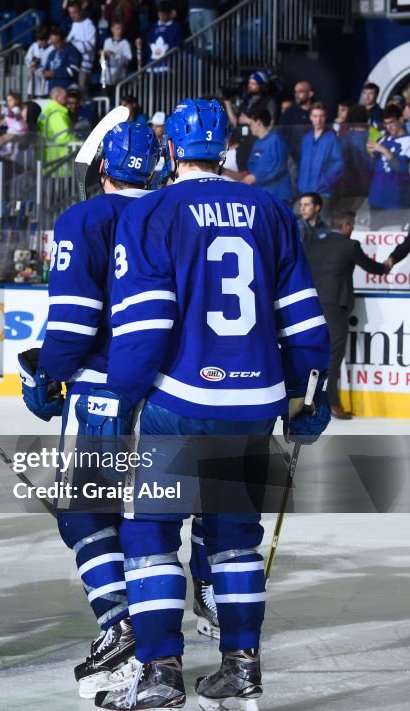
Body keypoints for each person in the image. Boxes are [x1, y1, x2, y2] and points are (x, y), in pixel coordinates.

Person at [81, 98, 330, 711]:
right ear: (225, 149)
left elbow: (143, 322)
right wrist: (309, 388)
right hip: (255, 401)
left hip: (179, 399)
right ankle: (241, 665)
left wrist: (121, 393)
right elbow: (300, 316)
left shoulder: (157, 209)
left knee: (150, 535)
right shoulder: (270, 208)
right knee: (235, 540)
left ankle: (162, 674)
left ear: (171, 151)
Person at [19, 121, 161, 700]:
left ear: (102, 165)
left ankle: (119, 627)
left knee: (82, 513)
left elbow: (75, 321)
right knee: (150, 516)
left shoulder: (85, 218)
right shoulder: (170, 213)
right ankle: (163, 636)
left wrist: (46, 372)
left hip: (100, 386)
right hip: (167, 391)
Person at [302, 210, 387, 420]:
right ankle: (332, 404)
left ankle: (306, 401)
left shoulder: (313, 246)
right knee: (333, 357)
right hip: (335, 309)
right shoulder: (350, 246)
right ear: (347, 227)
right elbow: (372, 268)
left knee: (313, 355)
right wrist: (386, 266)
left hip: (312, 307)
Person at [231, 110, 291, 202]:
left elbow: (278, 166)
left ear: (258, 123)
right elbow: (252, 165)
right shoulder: (257, 143)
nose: (250, 127)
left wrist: (255, 178)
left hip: (277, 195)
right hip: (263, 194)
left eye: (251, 124)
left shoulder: (275, 139)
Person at [366, 106, 410, 229]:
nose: (389, 127)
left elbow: (403, 171)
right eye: (386, 124)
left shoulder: (408, 142)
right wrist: (371, 156)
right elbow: (373, 168)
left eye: (392, 123)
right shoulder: (384, 139)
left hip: (396, 201)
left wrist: (385, 151)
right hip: (376, 199)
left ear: (401, 120)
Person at [297, 103, 344, 208]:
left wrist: (324, 182)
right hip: (304, 191)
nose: (318, 120)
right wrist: (300, 183)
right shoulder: (306, 139)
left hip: (323, 193)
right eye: (315, 116)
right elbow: (302, 163)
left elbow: (338, 164)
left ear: (325, 117)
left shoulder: (332, 138)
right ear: (310, 118)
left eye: (321, 116)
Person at [136, 1, 182, 73]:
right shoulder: (154, 26)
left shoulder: (175, 27)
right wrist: (140, 41)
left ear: (169, 14)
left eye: (163, 14)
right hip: (152, 66)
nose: (161, 17)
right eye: (159, 14)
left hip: (166, 66)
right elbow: (148, 41)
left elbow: (177, 45)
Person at [65, 2, 96, 99]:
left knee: (82, 90)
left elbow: (90, 45)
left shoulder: (89, 25)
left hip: (84, 65)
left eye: (74, 12)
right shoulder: (74, 25)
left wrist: (73, 44)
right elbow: (68, 41)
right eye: (70, 13)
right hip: (73, 63)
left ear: (81, 11)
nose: (72, 15)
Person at [277, 80, 314, 160]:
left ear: (310, 94)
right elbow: (279, 132)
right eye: (295, 92)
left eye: (300, 91)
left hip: (314, 156)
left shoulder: (317, 112)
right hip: (294, 158)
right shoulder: (290, 112)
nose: (297, 95)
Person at [43, 26, 81, 91]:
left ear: (64, 40)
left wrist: (55, 73)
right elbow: (47, 68)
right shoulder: (52, 53)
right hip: (52, 89)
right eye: (52, 43)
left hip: (66, 89)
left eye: (56, 42)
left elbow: (74, 69)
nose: (54, 45)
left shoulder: (72, 51)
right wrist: (45, 73)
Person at [100, 20, 131, 92]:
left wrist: (114, 55)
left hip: (119, 77)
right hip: (106, 76)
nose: (119, 31)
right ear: (112, 29)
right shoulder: (107, 41)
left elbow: (128, 59)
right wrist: (103, 54)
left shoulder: (125, 43)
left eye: (120, 29)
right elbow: (102, 58)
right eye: (117, 28)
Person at [25, 27, 53, 99]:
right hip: (35, 76)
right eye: (40, 40)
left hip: (46, 77)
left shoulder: (52, 47)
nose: (41, 42)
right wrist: (31, 65)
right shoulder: (34, 46)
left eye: (44, 40)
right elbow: (28, 59)